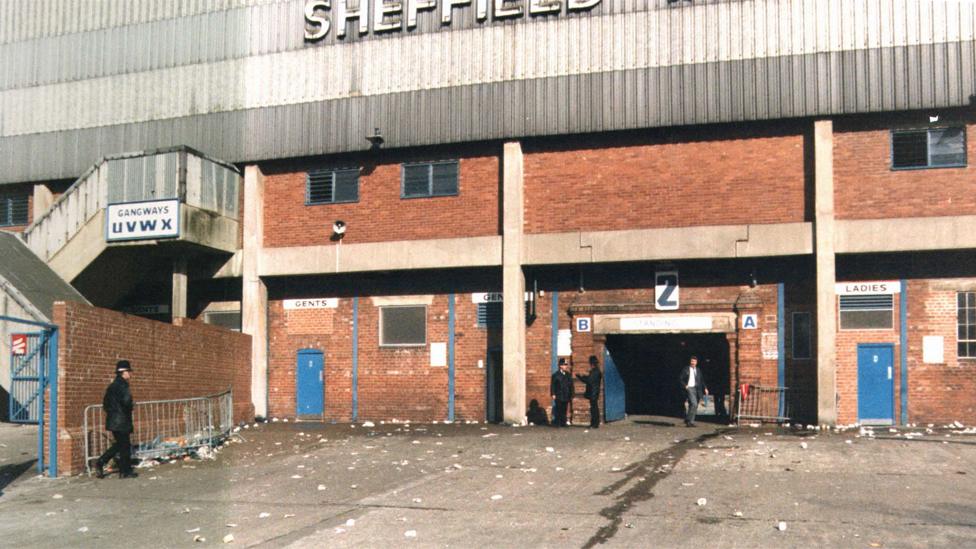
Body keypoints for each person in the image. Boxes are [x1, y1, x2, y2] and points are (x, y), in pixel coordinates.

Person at [94, 360, 137, 478]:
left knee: (120, 444)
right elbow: (127, 401)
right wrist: (130, 406)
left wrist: (112, 413)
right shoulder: (123, 385)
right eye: (129, 371)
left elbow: (105, 403)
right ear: (124, 372)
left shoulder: (112, 386)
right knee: (124, 446)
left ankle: (101, 462)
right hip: (122, 420)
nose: (130, 374)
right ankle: (124, 471)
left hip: (113, 420)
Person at [679, 355, 708, 427]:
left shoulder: (698, 370)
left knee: (694, 405)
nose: (693, 363)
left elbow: (701, 380)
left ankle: (689, 420)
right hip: (690, 388)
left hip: (697, 389)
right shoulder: (686, 369)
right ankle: (690, 421)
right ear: (690, 361)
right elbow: (681, 379)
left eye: (694, 361)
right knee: (694, 403)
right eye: (692, 361)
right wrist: (685, 386)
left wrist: (705, 388)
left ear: (696, 362)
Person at [576, 355, 603, 428]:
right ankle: (595, 423)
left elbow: (589, 380)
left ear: (592, 363)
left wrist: (580, 377)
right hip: (594, 392)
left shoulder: (595, 371)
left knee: (594, 408)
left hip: (593, 392)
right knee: (594, 407)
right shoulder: (596, 371)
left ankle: (594, 423)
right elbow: (590, 379)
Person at [550, 358, 574, 427]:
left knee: (564, 408)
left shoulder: (568, 375)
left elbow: (571, 385)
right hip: (559, 394)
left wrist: (572, 393)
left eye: (566, 365)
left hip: (566, 394)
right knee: (558, 408)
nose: (566, 366)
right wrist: (553, 393)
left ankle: (563, 422)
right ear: (560, 365)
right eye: (565, 364)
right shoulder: (556, 375)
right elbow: (553, 385)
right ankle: (558, 423)